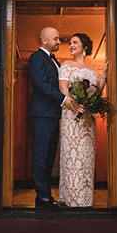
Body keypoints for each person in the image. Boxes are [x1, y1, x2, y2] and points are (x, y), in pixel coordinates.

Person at [27, 27, 75, 209]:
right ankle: (43, 197)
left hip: (53, 115)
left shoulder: (54, 60)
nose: (59, 42)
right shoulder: (36, 57)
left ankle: (44, 196)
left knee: (48, 157)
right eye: (56, 39)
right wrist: (63, 99)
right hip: (41, 114)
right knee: (41, 156)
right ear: (44, 40)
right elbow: (40, 84)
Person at [58, 33, 107, 208]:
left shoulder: (92, 69)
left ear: (84, 46)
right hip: (72, 117)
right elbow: (63, 87)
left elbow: (96, 92)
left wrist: (104, 75)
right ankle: (71, 199)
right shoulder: (66, 65)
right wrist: (72, 104)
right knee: (72, 157)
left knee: (85, 158)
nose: (71, 45)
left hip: (88, 119)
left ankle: (85, 199)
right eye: (70, 43)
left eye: (75, 42)